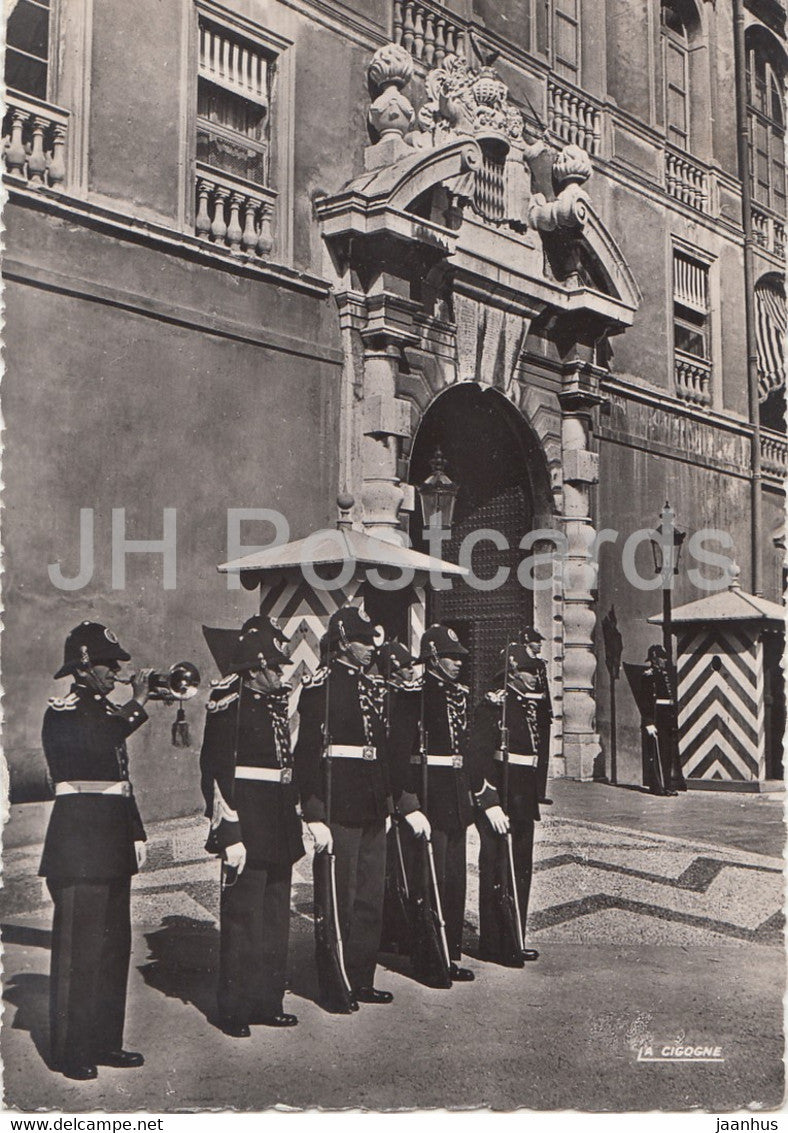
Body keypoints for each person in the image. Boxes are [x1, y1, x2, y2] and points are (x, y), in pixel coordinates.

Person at [40, 621, 153, 1080]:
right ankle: (71, 1050)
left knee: (111, 949)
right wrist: (139, 702)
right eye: (109, 664)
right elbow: (98, 743)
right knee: (78, 952)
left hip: (109, 840)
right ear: (84, 666)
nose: (117, 671)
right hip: (79, 843)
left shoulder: (104, 709)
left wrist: (137, 831)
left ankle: (105, 1041)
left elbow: (121, 781)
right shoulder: (66, 711)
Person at [293, 606, 402, 1009]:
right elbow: (307, 753)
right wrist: (314, 811)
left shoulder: (372, 686)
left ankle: (362, 977)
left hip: (372, 803)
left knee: (370, 897)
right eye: (361, 641)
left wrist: (388, 802)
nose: (370, 648)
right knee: (339, 897)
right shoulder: (321, 685)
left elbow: (383, 751)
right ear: (342, 643)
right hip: (340, 803)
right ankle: (335, 984)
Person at [200, 619, 303, 1036]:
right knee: (243, 919)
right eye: (274, 667)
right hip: (248, 826)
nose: (281, 673)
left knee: (275, 918)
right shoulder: (231, 706)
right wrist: (230, 834)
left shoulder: (273, 704)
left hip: (279, 824)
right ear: (254, 669)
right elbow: (215, 772)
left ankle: (267, 1001)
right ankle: (235, 1008)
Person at [391, 624, 475, 982]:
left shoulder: (459, 694)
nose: (459, 663)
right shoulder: (415, 695)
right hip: (429, 797)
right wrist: (408, 804)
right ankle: (428, 959)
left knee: (454, 881)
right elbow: (397, 755)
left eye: (460, 657)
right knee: (430, 881)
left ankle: (449, 951)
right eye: (452, 657)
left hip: (455, 797)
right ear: (434, 658)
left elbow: (464, 752)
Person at [466, 645, 542, 964]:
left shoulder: (527, 705)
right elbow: (478, 756)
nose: (536, 676)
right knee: (498, 869)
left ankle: (514, 936)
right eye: (530, 671)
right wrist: (488, 801)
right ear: (512, 672)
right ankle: (494, 943)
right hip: (502, 800)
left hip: (523, 801)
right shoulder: (494, 705)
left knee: (519, 871)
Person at [376, 639, 429, 954]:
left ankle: (396, 928)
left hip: (402, 789)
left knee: (403, 862)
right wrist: (398, 801)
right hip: (393, 791)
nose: (412, 670)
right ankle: (392, 929)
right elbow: (392, 755)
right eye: (407, 665)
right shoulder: (391, 700)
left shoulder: (404, 697)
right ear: (393, 670)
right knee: (391, 867)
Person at [641, 644, 686, 796]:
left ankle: (669, 785)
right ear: (653, 659)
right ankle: (658, 787)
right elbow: (645, 702)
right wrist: (648, 722)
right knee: (656, 753)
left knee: (667, 753)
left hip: (667, 718)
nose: (662, 661)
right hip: (655, 717)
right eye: (659, 658)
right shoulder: (648, 676)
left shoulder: (666, 674)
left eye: (662, 658)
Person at [522, 627, 554, 805]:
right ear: (527, 642)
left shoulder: (540, 664)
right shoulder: (523, 663)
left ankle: (539, 792)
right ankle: (529, 792)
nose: (540, 644)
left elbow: (545, 690)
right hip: (530, 712)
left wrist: (549, 710)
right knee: (530, 753)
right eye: (536, 641)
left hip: (542, 714)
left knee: (543, 755)